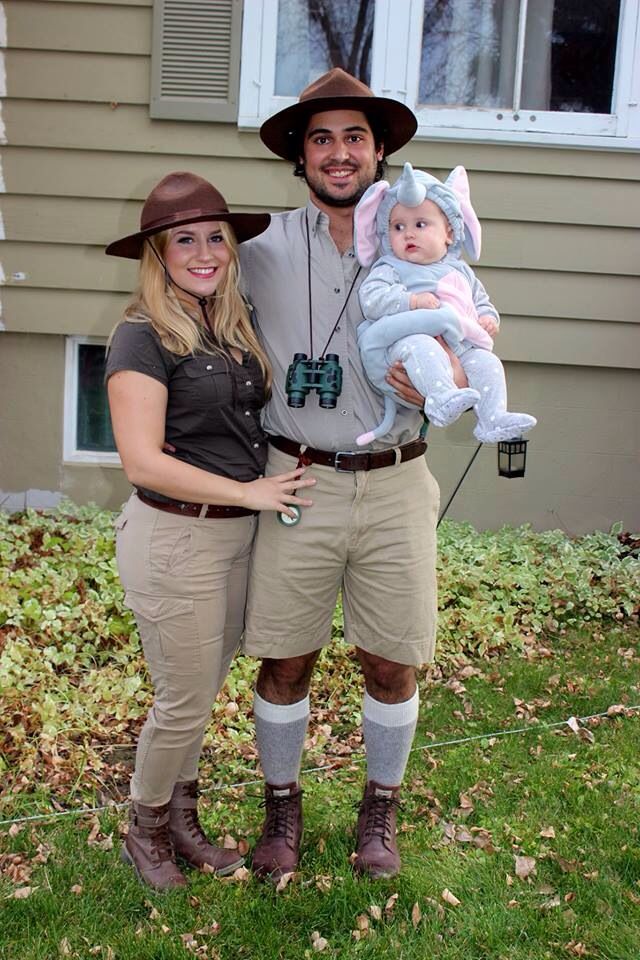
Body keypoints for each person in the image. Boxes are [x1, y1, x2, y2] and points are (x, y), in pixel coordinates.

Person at [238, 68, 438, 881]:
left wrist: (444, 376)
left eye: (355, 136)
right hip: (298, 479)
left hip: (395, 481)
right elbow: (190, 301)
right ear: (300, 155)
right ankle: (280, 804)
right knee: (285, 660)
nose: (338, 152)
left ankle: (379, 808)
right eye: (320, 138)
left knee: (392, 662)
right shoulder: (258, 248)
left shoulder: (419, 236)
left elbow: (471, 325)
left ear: (380, 148)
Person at [104, 172, 315, 890]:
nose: (203, 251)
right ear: (157, 254)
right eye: (182, 240)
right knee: (184, 700)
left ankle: (182, 823)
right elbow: (142, 460)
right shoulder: (142, 334)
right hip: (175, 538)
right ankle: (146, 829)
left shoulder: (227, 323)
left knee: (198, 689)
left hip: (233, 539)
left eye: (214, 237)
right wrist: (248, 491)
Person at [353, 161, 537, 446]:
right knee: (424, 348)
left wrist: (489, 319)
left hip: (459, 344)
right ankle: (441, 399)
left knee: (488, 363)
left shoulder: (460, 271)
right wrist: (410, 300)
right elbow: (372, 300)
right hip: (404, 341)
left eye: (420, 224)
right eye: (398, 226)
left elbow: (481, 302)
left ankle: (492, 417)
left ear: (449, 232)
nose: (408, 234)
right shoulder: (390, 267)